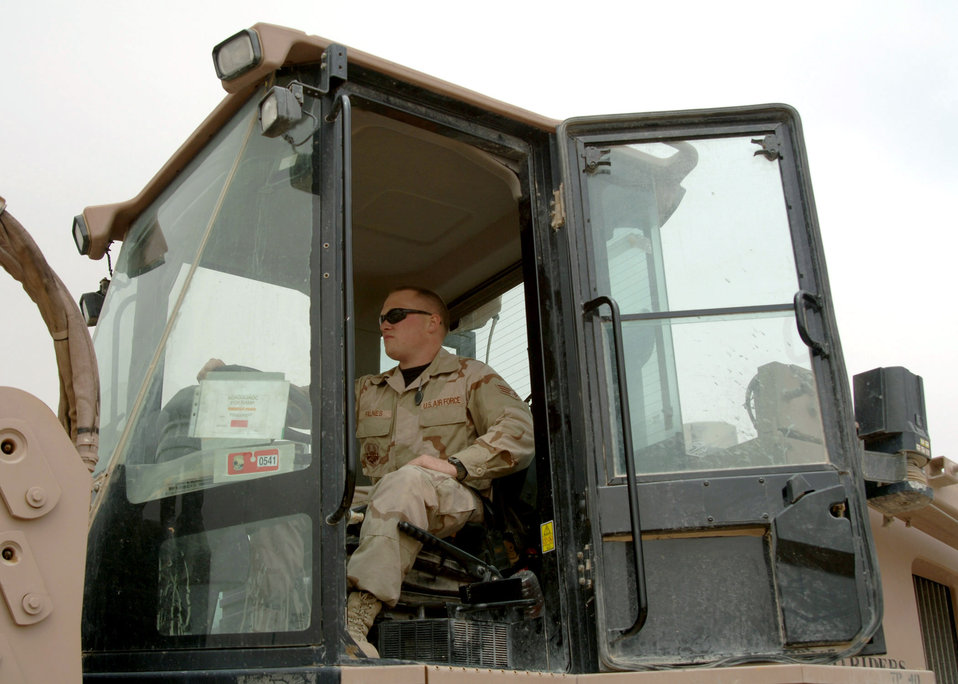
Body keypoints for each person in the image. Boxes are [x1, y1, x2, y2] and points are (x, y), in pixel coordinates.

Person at [345, 286, 535, 658]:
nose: (384, 325)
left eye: (395, 316)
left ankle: (355, 621)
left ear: (432, 323)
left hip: (458, 500)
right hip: (391, 497)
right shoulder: (370, 390)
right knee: (308, 499)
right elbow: (305, 403)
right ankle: (279, 622)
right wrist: (236, 382)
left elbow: (519, 429)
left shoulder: (471, 377)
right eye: (381, 318)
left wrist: (456, 465)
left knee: (407, 481)